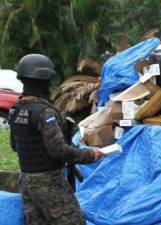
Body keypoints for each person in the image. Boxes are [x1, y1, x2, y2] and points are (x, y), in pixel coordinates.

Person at [9, 54, 103, 225]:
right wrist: (90, 155)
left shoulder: (16, 110)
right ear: (43, 79)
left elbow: (15, 145)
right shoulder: (44, 112)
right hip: (49, 182)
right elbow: (58, 150)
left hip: (26, 180)